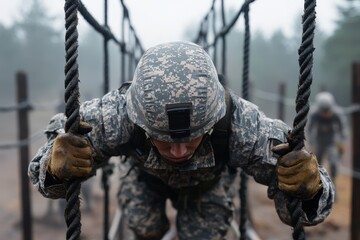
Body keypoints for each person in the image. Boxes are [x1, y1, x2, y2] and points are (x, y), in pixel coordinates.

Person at [29, 41, 334, 240]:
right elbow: (49, 160)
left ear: (212, 121)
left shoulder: (242, 126)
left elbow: (308, 207)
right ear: (139, 120)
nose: (178, 150)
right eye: (163, 140)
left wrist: (310, 190)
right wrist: (56, 168)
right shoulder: (117, 116)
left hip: (207, 187)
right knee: (146, 231)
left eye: (192, 139)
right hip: (144, 180)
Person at [307, 92, 347, 187]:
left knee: (333, 162)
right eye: (323, 111)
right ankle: (317, 184)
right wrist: (311, 143)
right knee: (316, 163)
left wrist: (341, 142)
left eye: (327, 111)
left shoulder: (336, 114)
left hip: (331, 141)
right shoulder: (315, 114)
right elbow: (309, 129)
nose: (325, 113)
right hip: (319, 141)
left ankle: (333, 184)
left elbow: (343, 128)